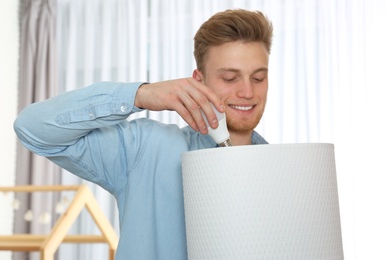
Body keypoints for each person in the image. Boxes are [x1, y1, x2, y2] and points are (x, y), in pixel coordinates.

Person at [14, 9, 273, 260]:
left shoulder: (282, 172)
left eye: (258, 78)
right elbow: (32, 127)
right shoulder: (143, 149)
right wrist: (141, 95)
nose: (248, 92)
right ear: (199, 81)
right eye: (230, 78)